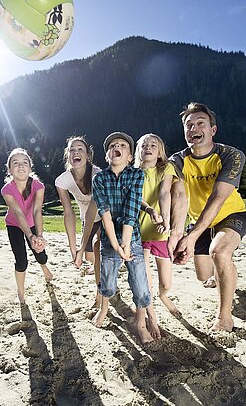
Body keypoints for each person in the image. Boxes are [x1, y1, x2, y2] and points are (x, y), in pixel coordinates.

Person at [170, 102, 246, 332]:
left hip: (230, 215)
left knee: (220, 252)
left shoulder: (231, 155)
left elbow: (217, 198)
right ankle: (223, 272)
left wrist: (191, 237)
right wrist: (177, 231)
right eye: (189, 125)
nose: (194, 128)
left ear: (212, 130)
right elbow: (175, 196)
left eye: (200, 123)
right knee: (203, 275)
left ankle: (225, 317)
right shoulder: (178, 161)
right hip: (199, 222)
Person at [92, 132, 160, 343]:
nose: (117, 147)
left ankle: (140, 323)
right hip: (109, 240)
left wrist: (127, 244)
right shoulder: (99, 178)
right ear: (107, 155)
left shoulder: (137, 175)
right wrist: (116, 244)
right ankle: (104, 308)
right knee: (108, 285)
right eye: (112, 146)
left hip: (134, 239)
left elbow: (131, 211)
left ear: (130, 156)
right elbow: (104, 214)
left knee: (140, 285)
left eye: (122, 145)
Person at [134, 133, 187, 318]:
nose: (148, 148)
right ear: (137, 152)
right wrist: (149, 211)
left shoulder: (167, 168)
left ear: (159, 152)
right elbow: (136, 197)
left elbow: (165, 193)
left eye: (153, 145)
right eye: (144, 145)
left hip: (160, 231)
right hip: (139, 231)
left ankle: (164, 297)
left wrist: (165, 220)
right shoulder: (132, 173)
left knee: (166, 283)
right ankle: (150, 312)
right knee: (145, 279)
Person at [55, 136, 103, 307]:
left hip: (105, 218)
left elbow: (93, 211)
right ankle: (99, 268)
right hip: (86, 220)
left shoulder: (98, 175)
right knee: (90, 258)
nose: (76, 152)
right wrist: (73, 248)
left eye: (80, 149)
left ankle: (100, 295)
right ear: (68, 155)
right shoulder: (62, 181)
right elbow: (68, 213)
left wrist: (81, 247)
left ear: (88, 155)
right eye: (72, 150)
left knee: (97, 250)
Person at [1, 148, 53, 304]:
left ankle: (44, 268)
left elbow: (37, 210)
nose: (21, 166)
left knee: (40, 253)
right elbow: (17, 213)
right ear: (9, 169)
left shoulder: (38, 186)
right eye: (15, 163)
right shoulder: (6, 190)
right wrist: (30, 236)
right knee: (21, 261)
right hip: (14, 224)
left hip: (32, 222)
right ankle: (21, 293)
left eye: (25, 162)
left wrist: (39, 236)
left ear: (30, 168)